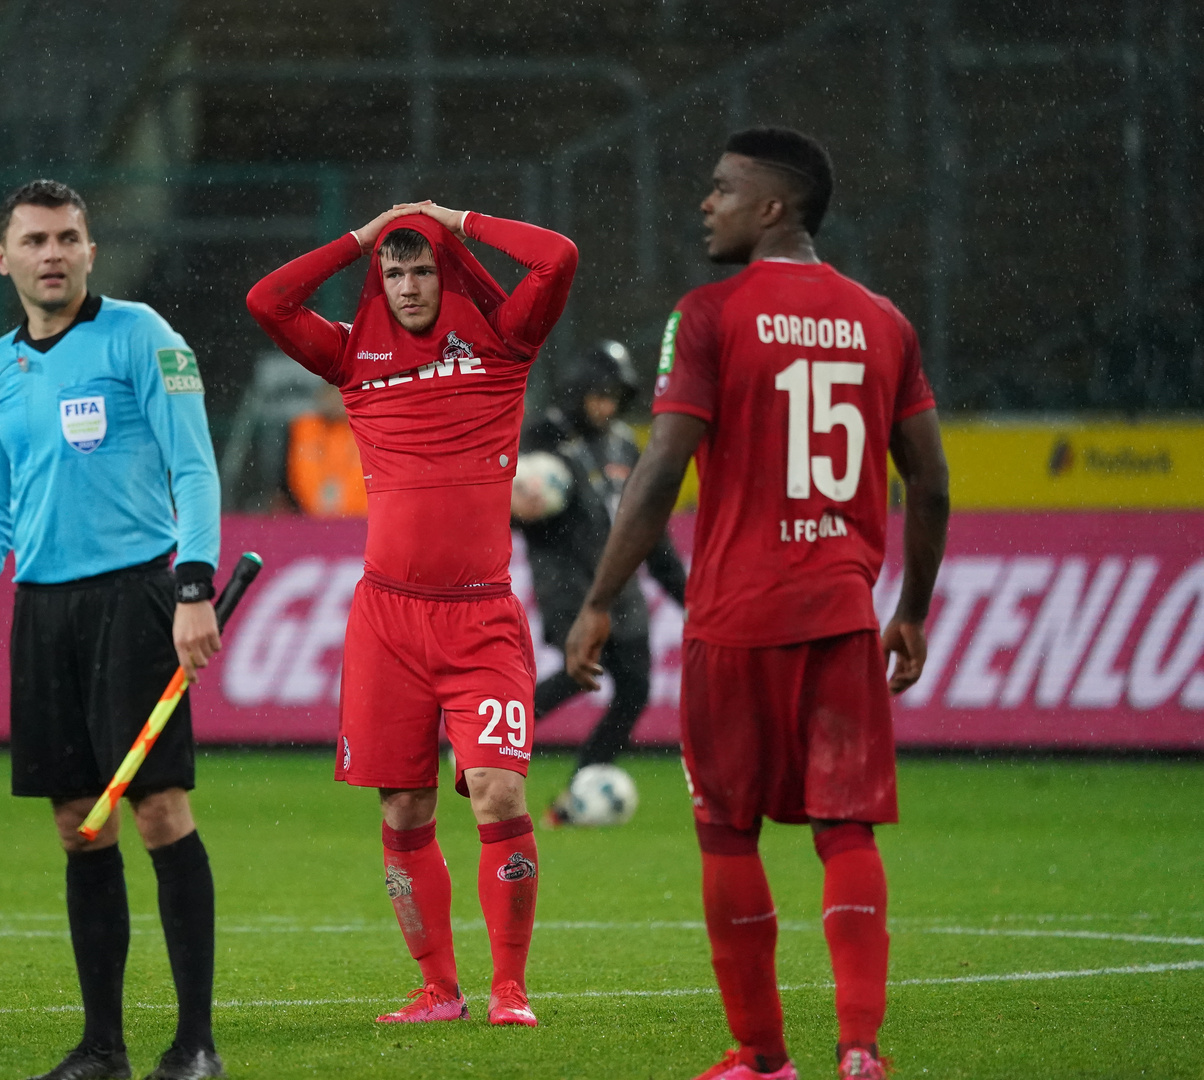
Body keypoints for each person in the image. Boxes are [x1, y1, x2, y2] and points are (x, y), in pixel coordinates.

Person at [564, 129, 949, 1080]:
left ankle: (761, 1055)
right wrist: (913, 608)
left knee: (726, 830)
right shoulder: (883, 321)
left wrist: (601, 597)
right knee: (844, 827)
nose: (707, 203)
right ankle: (860, 1051)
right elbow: (931, 484)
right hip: (843, 612)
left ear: (774, 208)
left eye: (724, 189)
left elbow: (659, 469)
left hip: (735, 619)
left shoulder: (707, 315)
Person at [247, 201, 578, 1028]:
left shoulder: (503, 340)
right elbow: (268, 302)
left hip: (481, 620)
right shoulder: (355, 355)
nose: (406, 285)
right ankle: (439, 990)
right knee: (403, 809)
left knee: (499, 793)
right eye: (391, 271)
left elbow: (557, 257)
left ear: (446, 270)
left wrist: (457, 219)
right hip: (388, 623)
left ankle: (510, 988)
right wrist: (361, 235)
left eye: (421, 267)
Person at [0, 180, 225, 1080]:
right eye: (34, 240)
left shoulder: (142, 336)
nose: (52, 254)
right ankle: (103, 1048)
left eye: (67, 238)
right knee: (78, 825)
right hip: (43, 614)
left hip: (136, 599)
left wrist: (194, 587)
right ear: (3, 258)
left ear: (91, 250)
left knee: (161, 811)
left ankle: (196, 1044)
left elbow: (196, 469)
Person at [513, 339, 687, 827]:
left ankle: (574, 797)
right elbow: (510, 509)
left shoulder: (625, 446)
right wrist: (520, 507)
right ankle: (486, 747)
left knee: (634, 690)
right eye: (597, 394)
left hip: (622, 592)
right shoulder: (544, 437)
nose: (605, 405)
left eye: (614, 396)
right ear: (576, 390)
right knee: (579, 671)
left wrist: (687, 596)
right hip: (567, 586)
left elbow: (649, 528)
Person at [280, 382, 367, 517]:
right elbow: (293, 477)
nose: (333, 400)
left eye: (338, 394)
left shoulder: (365, 430)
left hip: (359, 517)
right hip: (308, 517)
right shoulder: (304, 428)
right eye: (329, 393)